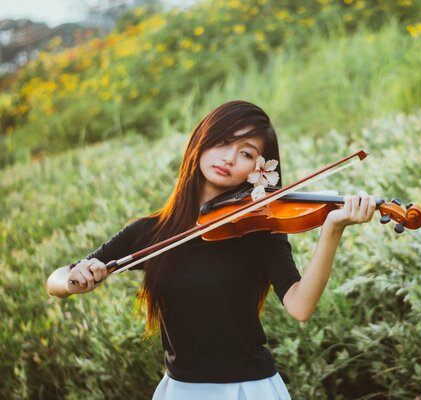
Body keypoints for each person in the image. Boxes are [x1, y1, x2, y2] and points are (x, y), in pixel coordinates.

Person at [45, 100, 376, 400]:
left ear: (258, 171)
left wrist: (332, 229)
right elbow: (56, 281)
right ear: (200, 143)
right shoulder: (149, 232)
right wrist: (75, 278)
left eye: (246, 153)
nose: (230, 158)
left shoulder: (260, 229)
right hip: (181, 390)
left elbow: (301, 306)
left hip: (248, 390)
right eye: (223, 142)